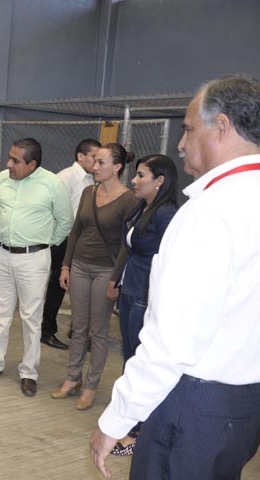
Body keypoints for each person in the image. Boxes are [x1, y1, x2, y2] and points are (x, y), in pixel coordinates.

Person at [91, 74, 260, 479]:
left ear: (222, 126)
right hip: (244, 403)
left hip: (195, 406)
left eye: (188, 129)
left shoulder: (210, 211)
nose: (181, 143)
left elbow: (174, 338)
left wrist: (116, 420)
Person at [0, 138, 73, 397]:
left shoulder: (52, 184)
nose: (9, 164)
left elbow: (65, 222)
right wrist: (10, 237)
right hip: (3, 254)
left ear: (32, 164)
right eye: (9, 157)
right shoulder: (2, 179)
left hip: (34, 258)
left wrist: (42, 244)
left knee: (31, 318)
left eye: (15, 161)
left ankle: (29, 372)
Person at [52, 143, 137, 410]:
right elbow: (76, 231)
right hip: (79, 266)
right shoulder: (89, 192)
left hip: (105, 271)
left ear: (117, 167)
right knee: (78, 327)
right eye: (94, 161)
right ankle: (72, 378)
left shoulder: (129, 200)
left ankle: (90, 386)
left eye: (101, 163)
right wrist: (66, 266)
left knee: (97, 331)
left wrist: (115, 278)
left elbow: (126, 244)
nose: (95, 167)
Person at [107, 154, 178, 457]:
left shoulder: (167, 214)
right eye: (135, 175)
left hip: (145, 293)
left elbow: (171, 258)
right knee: (129, 356)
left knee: (139, 359)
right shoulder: (143, 208)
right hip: (132, 287)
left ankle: (138, 431)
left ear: (160, 181)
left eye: (141, 176)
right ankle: (131, 421)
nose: (134, 181)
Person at [41, 138, 101, 350]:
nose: (97, 162)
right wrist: (57, 240)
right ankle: (47, 331)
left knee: (80, 288)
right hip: (63, 241)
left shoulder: (92, 179)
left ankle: (77, 330)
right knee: (57, 287)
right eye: (94, 157)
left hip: (81, 241)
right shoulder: (65, 177)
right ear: (80, 156)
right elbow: (50, 209)